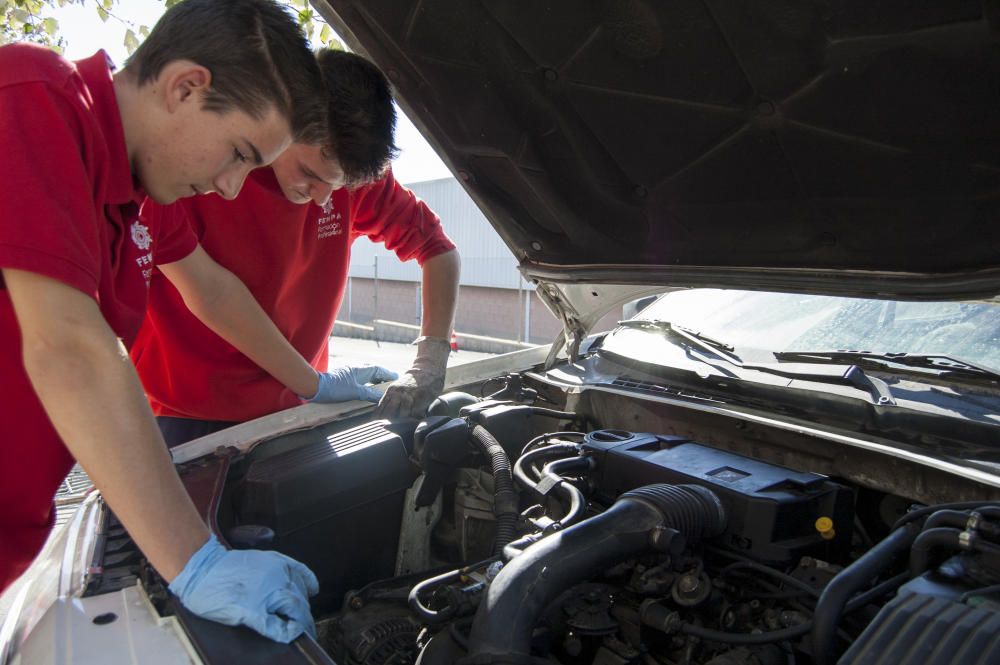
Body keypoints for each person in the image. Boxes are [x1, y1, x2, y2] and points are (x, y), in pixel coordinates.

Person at [0, 0, 328, 643]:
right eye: (238, 152)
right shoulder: (31, 98)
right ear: (185, 86)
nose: (232, 188)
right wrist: (195, 560)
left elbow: (211, 288)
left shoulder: (140, 196)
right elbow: (71, 346)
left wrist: (313, 382)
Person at [132, 49, 460, 447]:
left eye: (336, 186)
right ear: (282, 119)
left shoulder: (348, 175)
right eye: (309, 175)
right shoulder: (205, 168)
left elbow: (438, 249)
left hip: (298, 408)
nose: (323, 199)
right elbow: (211, 292)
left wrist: (430, 360)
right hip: (184, 413)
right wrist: (313, 384)